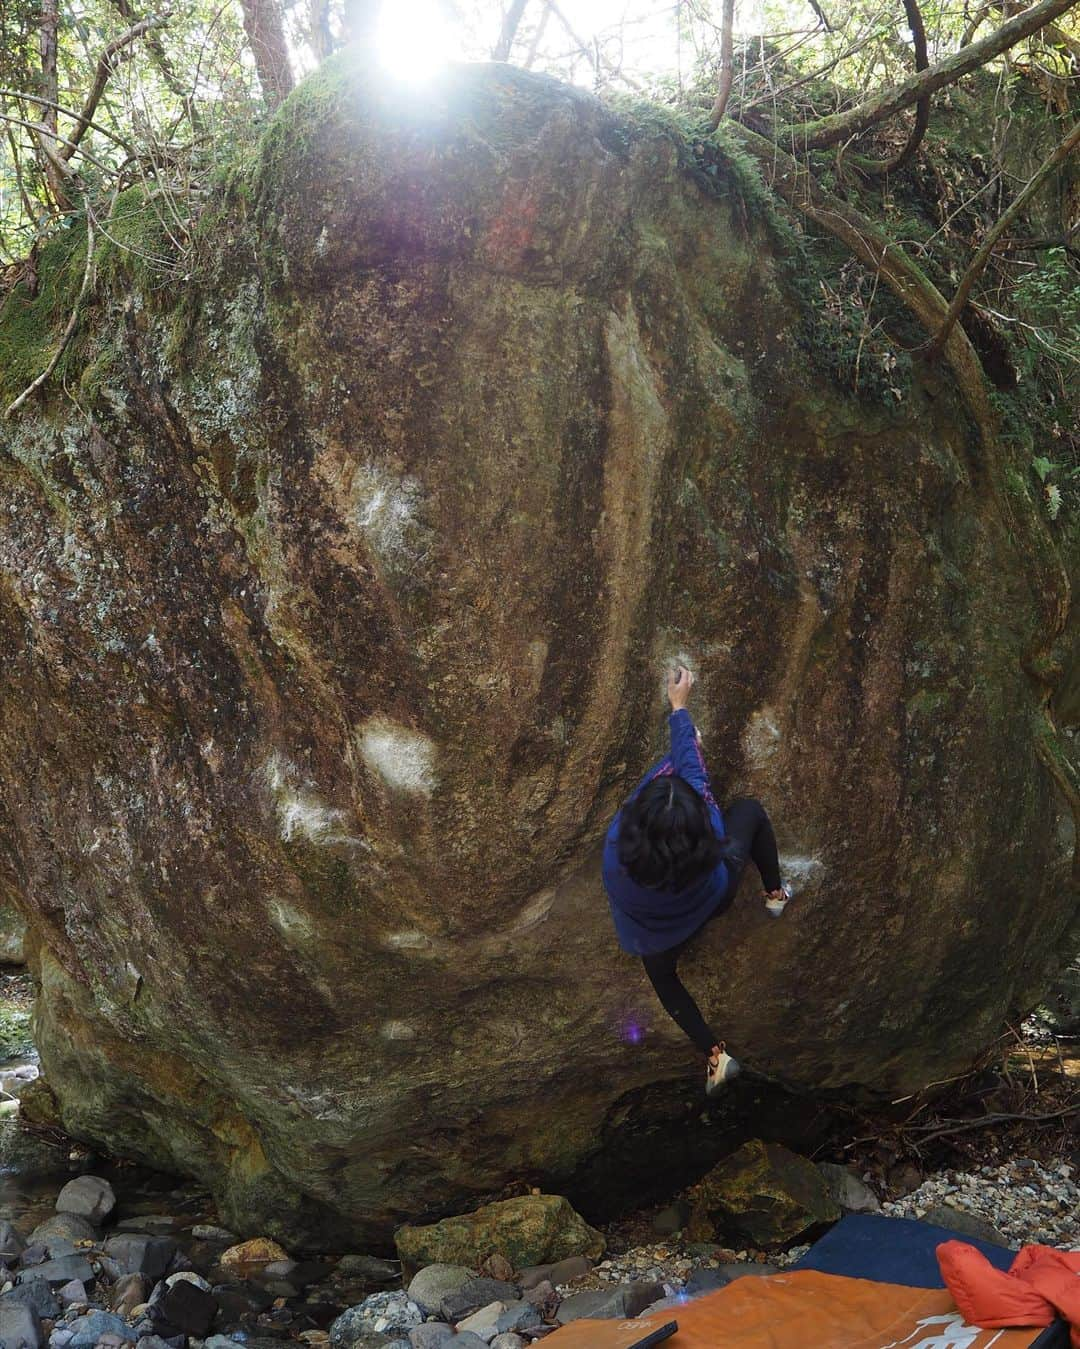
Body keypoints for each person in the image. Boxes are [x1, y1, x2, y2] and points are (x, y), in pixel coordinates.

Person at [602, 665, 792, 1095]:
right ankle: (775, 893)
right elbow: (695, 777)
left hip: (655, 932)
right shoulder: (705, 826)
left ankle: (714, 1055)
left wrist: (674, 754)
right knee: (751, 812)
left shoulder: (616, 851)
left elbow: (656, 788)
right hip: (708, 899)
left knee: (665, 979)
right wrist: (680, 711)